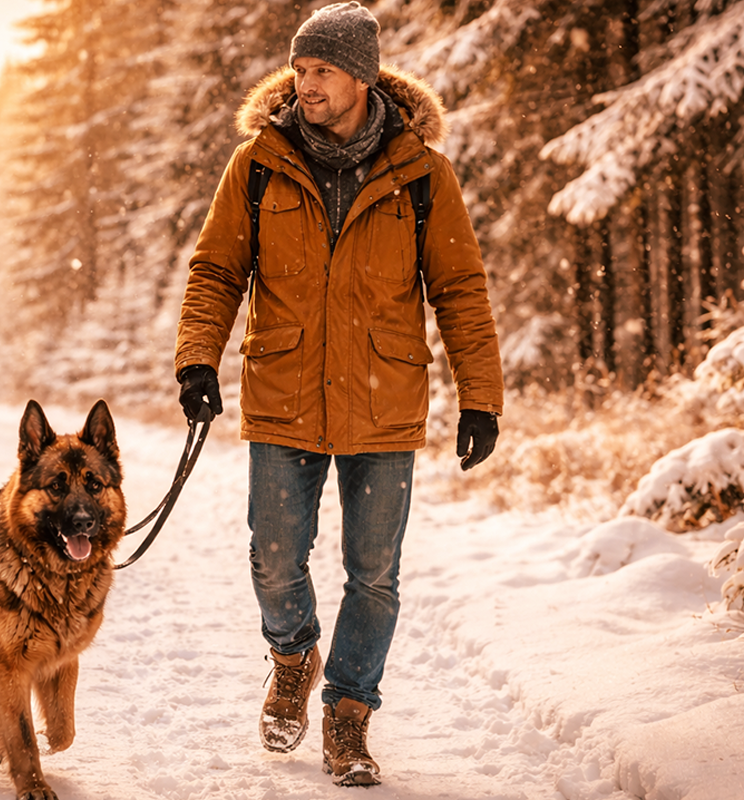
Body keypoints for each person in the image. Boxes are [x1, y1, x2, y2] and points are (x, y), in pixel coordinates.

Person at [173, 1, 504, 787]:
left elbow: (460, 289)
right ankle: (293, 656)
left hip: (385, 401)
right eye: (300, 68)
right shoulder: (258, 161)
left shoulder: (422, 171)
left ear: (360, 77)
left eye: (321, 70)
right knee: (274, 557)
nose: (304, 83)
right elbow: (217, 269)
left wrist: (480, 397)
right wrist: (196, 362)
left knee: (374, 573)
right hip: (283, 389)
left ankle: (349, 715)